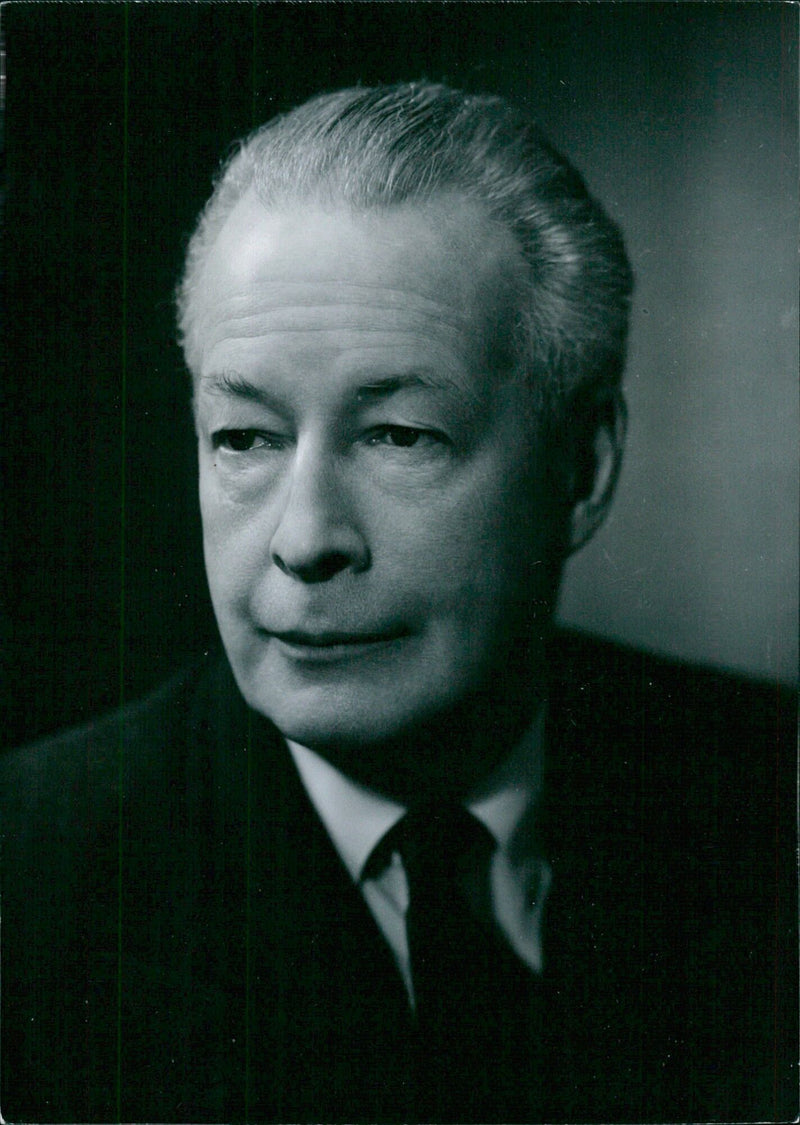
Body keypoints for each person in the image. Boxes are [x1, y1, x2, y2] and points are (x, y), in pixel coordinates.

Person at [1, 83, 795, 1124]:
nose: (303, 540)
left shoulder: (766, 795)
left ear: (582, 469)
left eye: (399, 437)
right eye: (243, 438)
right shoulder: (27, 886)